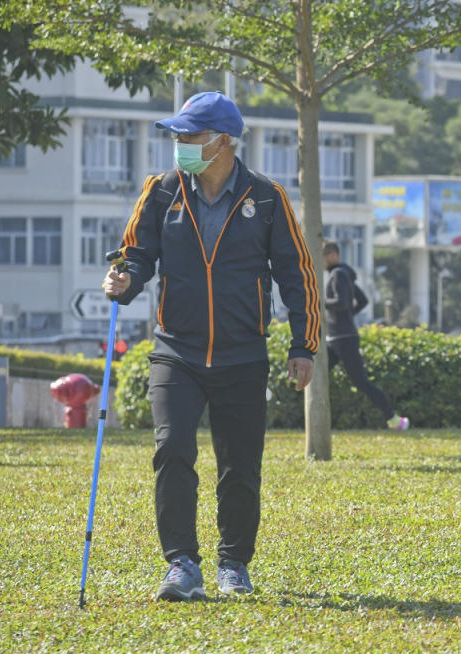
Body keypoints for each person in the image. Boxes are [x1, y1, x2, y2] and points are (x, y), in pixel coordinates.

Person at [103, 91, 319, 601]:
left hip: (243, 355)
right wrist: (123, 282)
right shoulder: (160, 192)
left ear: (222, 141)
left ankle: (234, 566)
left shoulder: (267, 198)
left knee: (240, 466)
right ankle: (181, 564)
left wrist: (302, 346)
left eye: (189, 136)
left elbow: (297, 274)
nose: (179, 144)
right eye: (176, 136)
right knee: (171, 448)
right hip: (176, 351)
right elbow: (137, 256)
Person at [323, 241, 408, 430]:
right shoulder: (345, 275)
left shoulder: (338, 274)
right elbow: (362, 301)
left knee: (361, 381)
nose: (321, 262)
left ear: (333, 256)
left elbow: (341, 303)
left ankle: (393, 419)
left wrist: (320, 301)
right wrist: (345, 317)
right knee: (318, 375)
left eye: (322, 257)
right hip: (337, 337)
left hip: (343, 339)